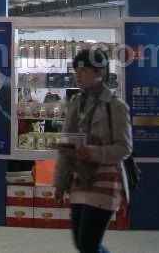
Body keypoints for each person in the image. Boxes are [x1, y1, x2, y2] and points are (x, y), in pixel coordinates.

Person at [54, 49, 132, 253]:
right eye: (75, 70)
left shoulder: (115, 106)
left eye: (83, 70)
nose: (77, 75)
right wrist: (60, 182)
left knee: (88, 245)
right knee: (82, 244)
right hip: (79, 180)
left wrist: (91, 152)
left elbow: (124, 148)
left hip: (105, 181)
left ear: (99, 72)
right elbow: (65, 147)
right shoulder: (75, 104)